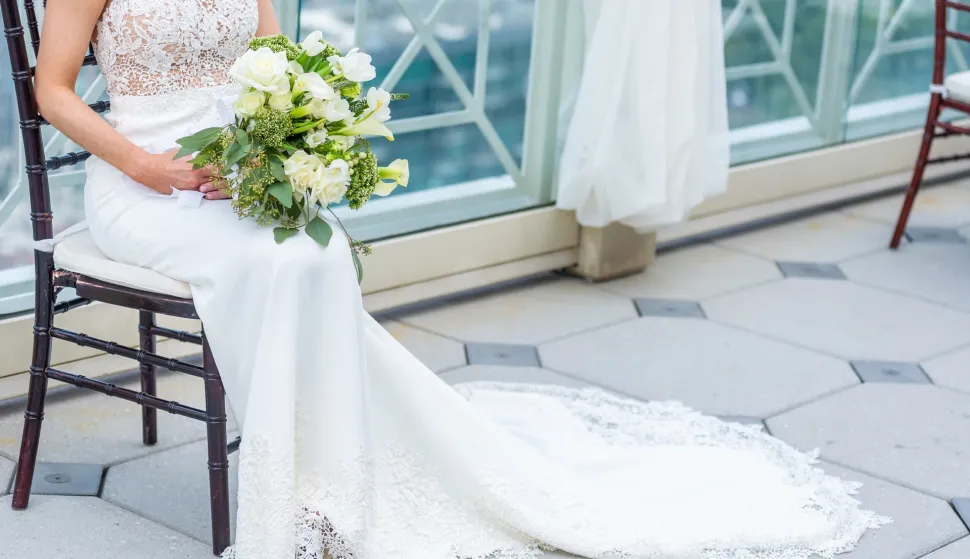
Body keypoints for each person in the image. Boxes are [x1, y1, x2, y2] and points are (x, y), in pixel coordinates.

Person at [35, 1, 887, 557]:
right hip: (138, 183)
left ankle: (327, 479)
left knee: (318, 250)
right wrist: (148, 166)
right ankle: (288, 483)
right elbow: (53, 89)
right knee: (265, 262)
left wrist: (279, 153)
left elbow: (278, 67)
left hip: (238, 176)